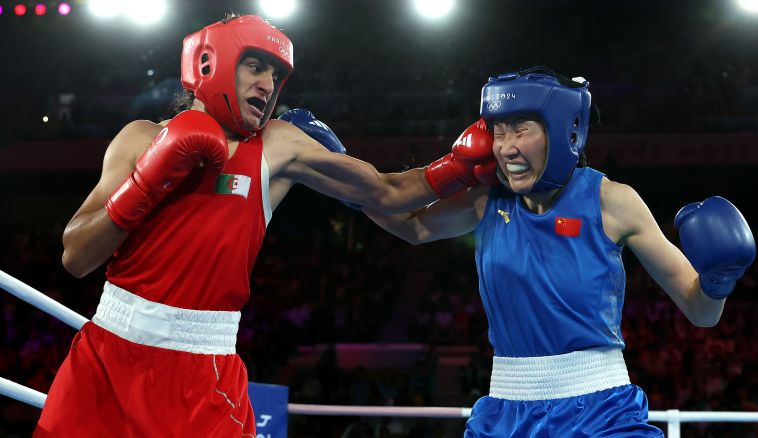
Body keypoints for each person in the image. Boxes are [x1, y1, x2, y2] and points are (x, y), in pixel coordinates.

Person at [34, 15, 496, 436]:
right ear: (210, 62)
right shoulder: (139, 137)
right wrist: (145, 181)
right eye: (255, 66)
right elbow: (75, 257)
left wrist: (456, 166)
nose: (268, 84)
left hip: (204, 369)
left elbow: (386, 192)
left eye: (277, 75)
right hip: (108, 356)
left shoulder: (277, 145)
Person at [361, 66, 756, 436]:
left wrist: (718, 281)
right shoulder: (485, 199)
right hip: (505, 408)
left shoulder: (612, 201)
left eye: (521, 129)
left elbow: (700, 312)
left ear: (562, 130)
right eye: (498, 131)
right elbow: (410, 225)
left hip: (601, 409)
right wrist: (342, 179)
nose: (506, 147)